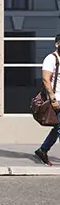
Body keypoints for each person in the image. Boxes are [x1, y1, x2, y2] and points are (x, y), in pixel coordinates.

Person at [35, 33, 60, 165]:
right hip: (57, 98)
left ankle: (42, 150)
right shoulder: (51, 59)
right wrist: (53, 98)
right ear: (57, 44)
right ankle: (42, 150)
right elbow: (46, 79)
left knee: (57, 128)